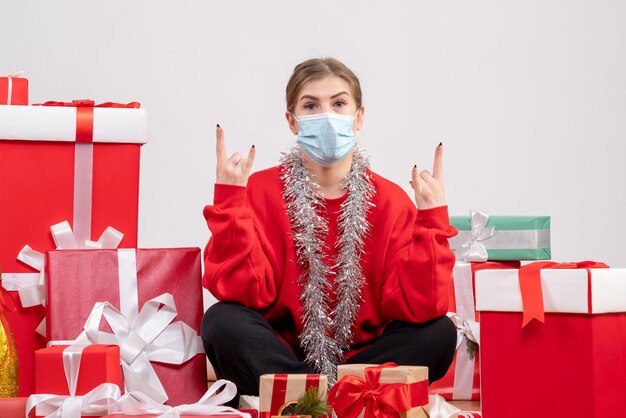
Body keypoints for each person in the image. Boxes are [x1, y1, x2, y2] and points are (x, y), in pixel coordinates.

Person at [201, 58, 458, 398]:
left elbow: (419, 306)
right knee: (222, 321)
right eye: (311, 105)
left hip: (366, 360)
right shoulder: (259, 192)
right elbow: (241, 292)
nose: (326, 115)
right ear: (292, 122)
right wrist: (231, 201)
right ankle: (332, 397)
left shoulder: (391, 200)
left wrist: (432, 220)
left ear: (359, 117)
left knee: (439, 332)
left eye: (338, 103)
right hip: (282, 356)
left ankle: (311, 398)